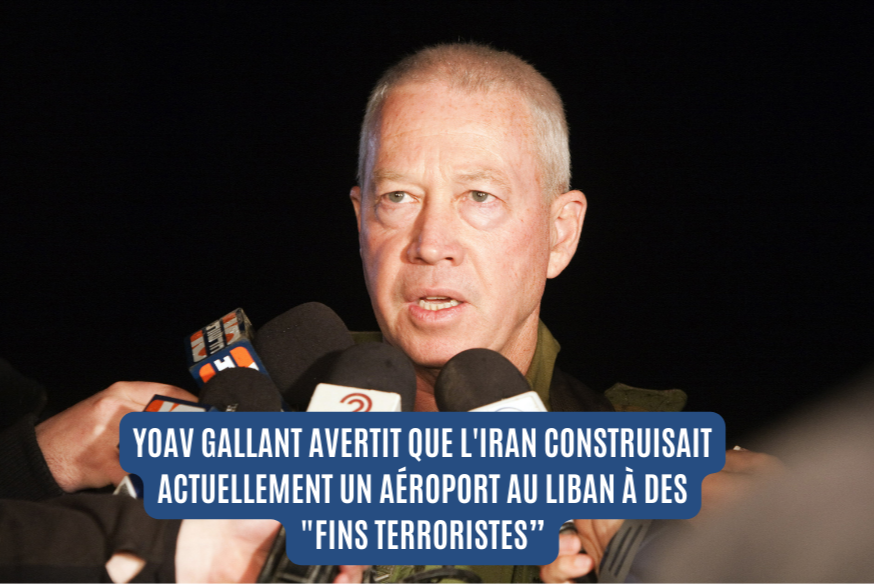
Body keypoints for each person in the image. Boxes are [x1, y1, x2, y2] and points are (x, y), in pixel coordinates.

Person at [347, 42, 784, 583]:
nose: (431, 244)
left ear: (559, 234)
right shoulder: (261, 428)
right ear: (361, 221)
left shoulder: (651, 489)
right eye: (398, 196)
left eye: (480, 196)